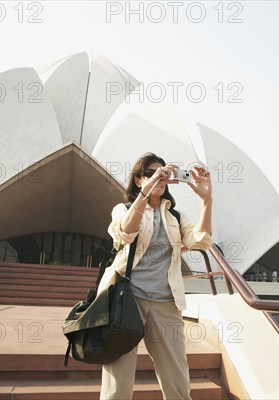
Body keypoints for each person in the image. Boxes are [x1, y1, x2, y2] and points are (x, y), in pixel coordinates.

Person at [98, 153, 212, 400]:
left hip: (165, 304)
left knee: (177, 380)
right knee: (117, 381)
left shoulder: (175, 216)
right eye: (150, 173)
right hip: (126, 302)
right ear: (138, 180)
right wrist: (144, 196)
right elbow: (125, 233)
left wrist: (206, 200)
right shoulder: (124, 209)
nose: (158, 176)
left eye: (163, 172)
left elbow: (200, 241)